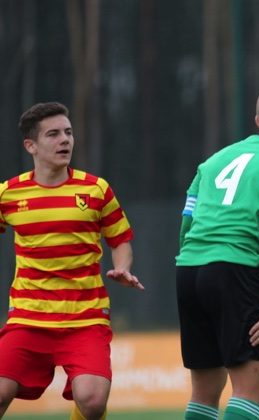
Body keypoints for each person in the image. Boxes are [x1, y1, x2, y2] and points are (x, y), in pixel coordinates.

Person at [0, 102, 144, 420]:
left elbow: (120, 239)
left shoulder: (95, 189)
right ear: (31, 146)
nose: (64, 140)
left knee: (92, 401)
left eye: (68, 132)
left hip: (85, 318)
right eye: (53, 134)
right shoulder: (8, 194)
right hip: (28, 318)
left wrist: (123, 267)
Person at [175, 81, 259, 420]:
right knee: (252, 386)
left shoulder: (211, 162)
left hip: (189, 270)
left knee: (204, 393)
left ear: (257, 120)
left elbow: (186, 224)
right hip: (235, 271)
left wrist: (196, 264)